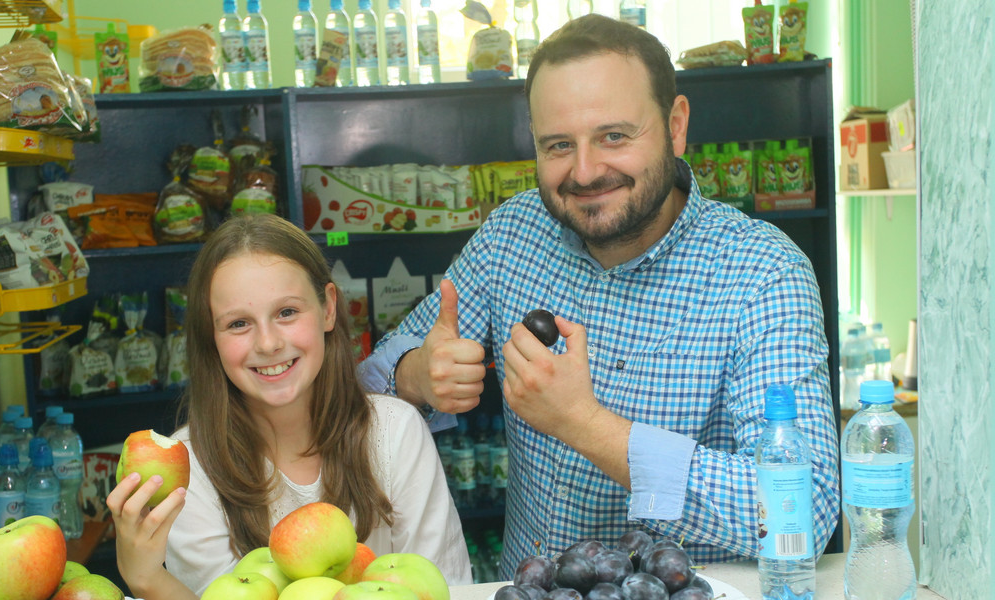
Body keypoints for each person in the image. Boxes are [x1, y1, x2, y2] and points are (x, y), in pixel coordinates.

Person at [358, 14, 840, 574]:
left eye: (614, 136)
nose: (584, 172)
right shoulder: (512, 234)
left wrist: (584, 425)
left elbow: (802, 510)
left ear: (676, 125)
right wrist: (418, 375)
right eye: (558, 145)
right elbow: (366, 379)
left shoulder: (762, 272)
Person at [107, 214, 471, 600]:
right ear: (210, 337)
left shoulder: (395, 432)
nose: (267, 343)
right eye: (238, 324)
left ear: (328, 308)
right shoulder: (191, 466)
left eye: (286, 313)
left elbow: (449, 590)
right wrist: (148, 580)